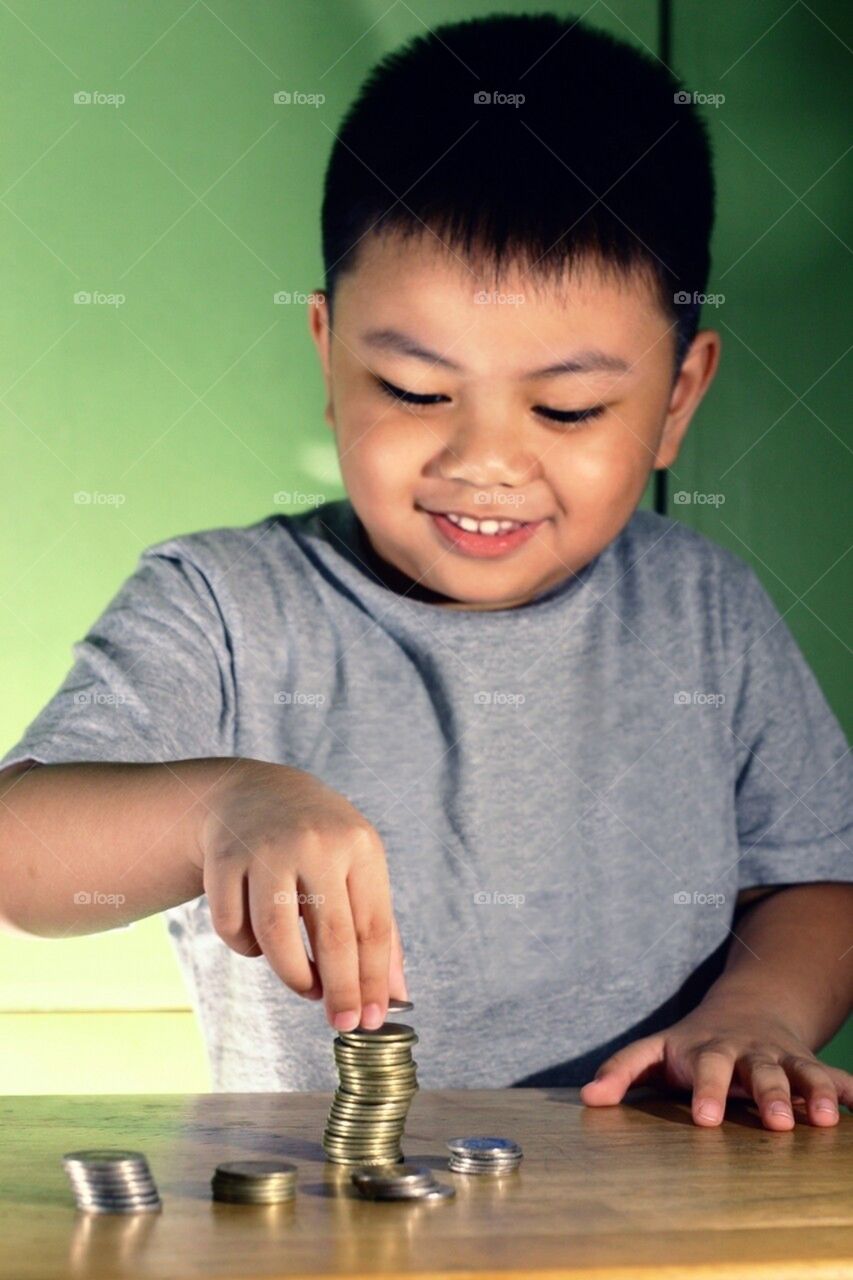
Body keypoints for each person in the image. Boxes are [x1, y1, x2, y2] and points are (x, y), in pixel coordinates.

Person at [1, 12, 850, 1130]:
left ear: (677, 399)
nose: (484, 461)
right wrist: (222, 800)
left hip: (652, 1212)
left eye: (568, 408)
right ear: (325, 348)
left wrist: (758, 1009)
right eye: (411, 389)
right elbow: (22, 851)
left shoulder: (707, 614)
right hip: (322, 1227)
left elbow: (817, 883)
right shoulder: (222, 608)